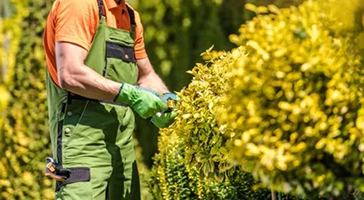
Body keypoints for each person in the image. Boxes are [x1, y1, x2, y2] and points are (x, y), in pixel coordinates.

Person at [42, 0, 177, 199]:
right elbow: (70, 73)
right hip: (82, 141)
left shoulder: (130, 17)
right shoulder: (79, 4)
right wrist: (128, 94)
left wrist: (166, 99)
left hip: (121, 144)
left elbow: (145, 76)